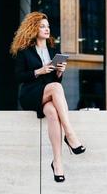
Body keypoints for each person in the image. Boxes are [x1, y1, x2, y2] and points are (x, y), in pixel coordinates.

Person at [10, 12, 86, 183]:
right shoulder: (24, 51)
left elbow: (55, 80)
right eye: (42, 26)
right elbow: (18, 77)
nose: (46, 29)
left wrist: (59, 72)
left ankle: (57, 163)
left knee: (52, 112)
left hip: (48, 94)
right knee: (56, 87)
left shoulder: (53, 50)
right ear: (33, 28)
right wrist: (39, 71)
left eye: (48, 26)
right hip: (30, 93)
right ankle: (70, 133)